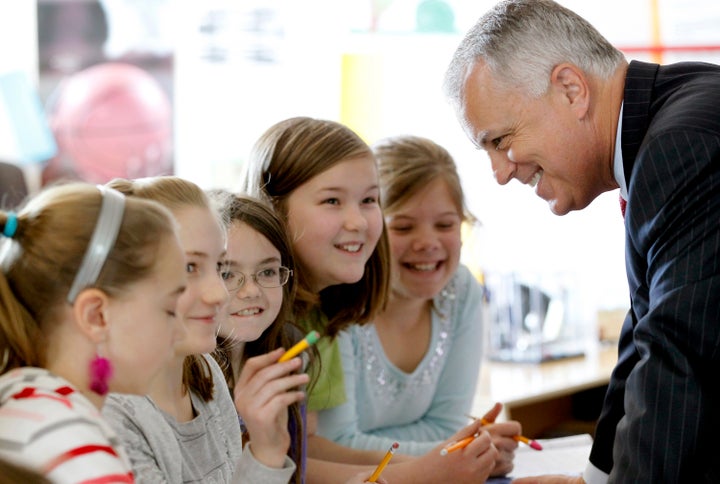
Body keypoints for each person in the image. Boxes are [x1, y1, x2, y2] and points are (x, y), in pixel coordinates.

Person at [443, 1, 720, 482]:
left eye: (500, 140)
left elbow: (679, 362)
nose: (501, 173)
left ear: (571, 90)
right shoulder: (666, 122)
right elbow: (647, 333)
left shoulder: (683, 147)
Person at [240, 116, 498, 484]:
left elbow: (302, 450)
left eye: (368, 200)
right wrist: (428, 469)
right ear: (274, 208)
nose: (358, 221)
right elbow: (269, 457)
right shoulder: (248, 314)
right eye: (332, 200)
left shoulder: (322, 310)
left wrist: (451, 458)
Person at [316, 135, 522, 477]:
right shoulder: (339, 301)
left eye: (445, 224)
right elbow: (334, 441)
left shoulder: (461, 289)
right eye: (403, 226)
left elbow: (446, 423)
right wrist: (462, 451)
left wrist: (460, 447)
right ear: (369, 226)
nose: (427, 243)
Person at [101, 176, 304, 483]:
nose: (219, 294)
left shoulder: (203, 371)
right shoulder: (109, 419)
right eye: (190, 268)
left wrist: (267, 450)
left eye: (218, 268)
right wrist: (263, 457)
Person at [0, 182, 187, 483]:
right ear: (96, 315)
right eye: (169, 310)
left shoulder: (27, 403)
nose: (180, 331)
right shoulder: (69, 443)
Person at [210, 191, 383, 484]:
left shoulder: (288, 352)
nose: (251, 290)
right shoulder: (187, 381)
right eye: (227, 274)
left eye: (267, 271)